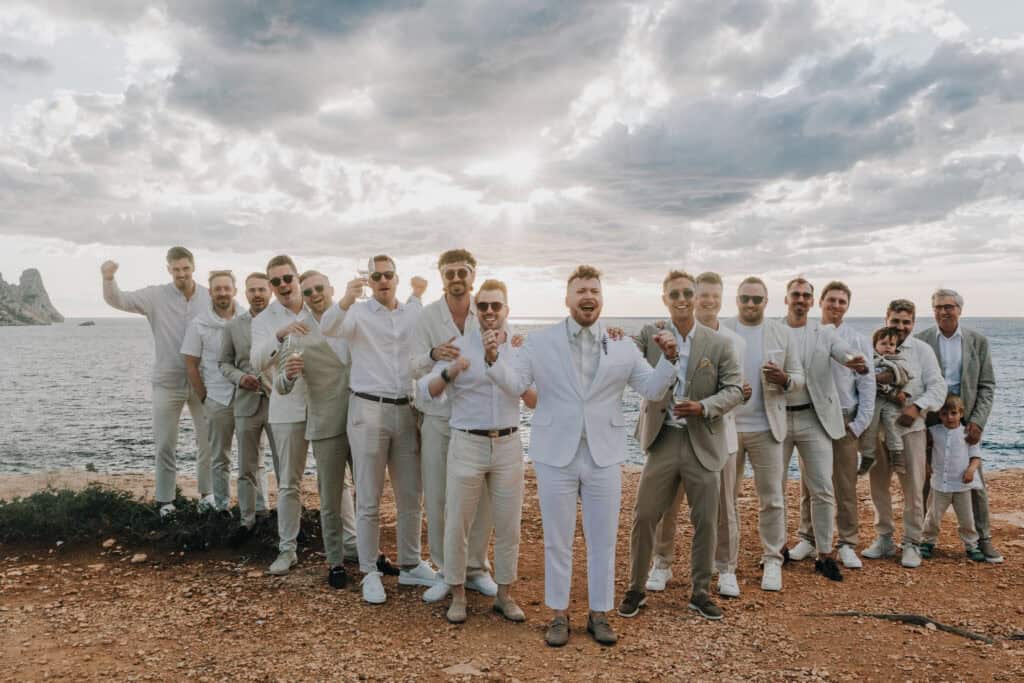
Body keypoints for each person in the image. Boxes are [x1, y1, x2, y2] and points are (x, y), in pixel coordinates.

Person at [485, 265, 679, 647]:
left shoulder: (622, 345)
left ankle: (599, 613)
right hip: (554, 451)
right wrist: (493, 359)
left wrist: (671, 359)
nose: (588, 296)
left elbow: (653, 389)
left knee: (603, 539)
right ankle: (558, 614)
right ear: (567, 298)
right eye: (580, 291)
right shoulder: (541, 343)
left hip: (604, 452)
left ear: (601, 298)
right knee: (557, 539)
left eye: (594, 290)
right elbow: (516, 384)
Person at [619, 270, 743, 621]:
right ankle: (636, 588)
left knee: (706, 519)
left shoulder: (719, 343)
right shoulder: (649, 334)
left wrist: (704, 407)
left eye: (688, 292)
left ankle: (700, 591)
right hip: (663, 439)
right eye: (675, 294)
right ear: (665, 299)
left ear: (696, 294)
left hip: (704, 438)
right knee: (644, 515)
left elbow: (734, 389)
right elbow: (624, 362)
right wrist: (610, 336)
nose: (683, 299)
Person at [419, 279, 537, 624]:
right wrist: (450, 371)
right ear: (475, 310)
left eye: (495, 306)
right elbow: (427, 392)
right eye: (482, 306)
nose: (488, 312)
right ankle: (457, 592)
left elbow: (532, 398)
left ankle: (504, 594)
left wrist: (493, 360)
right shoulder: (456, 346)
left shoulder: (520, 348)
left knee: (508, 523)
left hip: (508, 444)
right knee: (457, 521)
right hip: (466, 442)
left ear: (506, 310)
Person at [320, 255, 434, 604]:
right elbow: (327, 328)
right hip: (368, 408)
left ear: (395, 278)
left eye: (388, 274)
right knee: (368, 495)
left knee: (411, 494)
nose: (383, 279)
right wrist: (345, 298)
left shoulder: (413, 312)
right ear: (370, 280)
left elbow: (424, 321)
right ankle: (370, 570)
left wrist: (418, 292)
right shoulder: (356, 312)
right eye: (376, 275)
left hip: (405, 409)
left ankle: (412, 563)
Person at [409, 249, 496, 603]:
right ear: (442, 277)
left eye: (462, 272)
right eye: (450, 273)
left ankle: (476, 569)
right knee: (439, 495)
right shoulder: (427, 317)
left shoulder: (488, 310)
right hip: (440, 418)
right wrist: (433, 355)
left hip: (478, 420)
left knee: (481, 498)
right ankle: (446, 571)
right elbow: (413, 366)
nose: (456, 278)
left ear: (472, 275)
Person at [100, 247, 211, 517]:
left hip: (204, 382)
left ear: (193, 267)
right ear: (168, 269)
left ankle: (208, 496)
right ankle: (165, 501)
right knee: (164, 443)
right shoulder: (155, 296)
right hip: (167, 382)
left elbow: (236, 318)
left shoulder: (209, 296)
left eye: (186, 268)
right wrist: (108, 278)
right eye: (176, 269)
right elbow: (119, 300)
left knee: (209, 441)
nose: (181, 274)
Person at [273, 270, 360, 588]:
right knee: (331, 497)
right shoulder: (298, 331)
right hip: (325, 422)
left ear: (331, 288)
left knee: (368, 493)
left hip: (363, 418)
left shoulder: (354, 318)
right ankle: (335, 562)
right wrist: (291, 375)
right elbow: (281, 385)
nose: (314, 295)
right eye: (307, 292)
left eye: (319, 288)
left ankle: (369, 557)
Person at [780, 278, 867, 582]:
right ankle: (788, 546)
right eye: (796, 295)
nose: (801, 299)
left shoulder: (826, 332)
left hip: (820, 417)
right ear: (787, 298)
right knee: (784, 488)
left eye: (806, 295)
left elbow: (843, 353)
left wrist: (854, 361)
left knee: (828, 487)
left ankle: (831, 551)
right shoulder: (775, 330)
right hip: (780, 416)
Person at [721, 277, 805, 592]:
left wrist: (784, 380)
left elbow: (799, 377)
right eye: (745, 299)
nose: (751, 305)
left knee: (772, 498)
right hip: (728, 428)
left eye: (757, 299)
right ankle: (726, 566)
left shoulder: (780, 332)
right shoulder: (723, 330)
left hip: (767, 428)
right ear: (737, 300)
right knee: (726, 500)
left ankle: (772, 559)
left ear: (766, 302)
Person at [916, 289, 1002, 563]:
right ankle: (919, 540)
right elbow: (916, 383)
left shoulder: (978, 341)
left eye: (949, 306)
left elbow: (987, 385)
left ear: (959, 310)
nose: (943, 311)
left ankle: (983, 539)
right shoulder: (922, 341)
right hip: (931, 419)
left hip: (964, 418)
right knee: (925, 479)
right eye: (938, 307)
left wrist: (977, 420)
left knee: (974, 483)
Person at [862, 299, 947, 569]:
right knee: (878, 487)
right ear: (886, 319)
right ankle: (884, 537)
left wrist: (917, 408)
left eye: (906, 322)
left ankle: (912, 542)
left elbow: (937, 387)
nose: (900, 327)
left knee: (912, 489)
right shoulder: (871, 347)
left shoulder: (922, 350)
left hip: (911, 430)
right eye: (895, 321)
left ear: (913, 323)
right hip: (878, 430)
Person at [251, 255, 318, 576]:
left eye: (286, 278)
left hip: (323, 405)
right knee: (289, 484)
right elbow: (256, 360)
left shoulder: (317, 305)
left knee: (340, 482)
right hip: (286, 408)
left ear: (296, 276)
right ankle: (287, 549)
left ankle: (347, 543)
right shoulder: (264, 320)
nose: (282, 286)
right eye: (275, 281)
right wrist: (279, 335)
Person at [817, 281, 876, 569]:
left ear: (847, 306)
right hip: (814, 419)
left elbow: (868, 385)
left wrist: (859, 424)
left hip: (845, 419)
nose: (836, 305)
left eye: (841, 301)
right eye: (831, 300)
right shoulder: (811, 334)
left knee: (845, 485)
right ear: (821, 302)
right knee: (813, 484)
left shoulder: (858, 340)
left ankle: (848, 542)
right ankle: (810, 538)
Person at [218, 272, 276, 535]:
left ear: (271, 291)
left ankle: (287, 524)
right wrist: (240, 378)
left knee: (284, 466)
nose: (257, 295)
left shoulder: (282, 320)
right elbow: (224, 363)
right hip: (246, 403)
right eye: (252, 290)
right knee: (247, 467)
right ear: (245, 293)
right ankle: (247, 521)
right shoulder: (233, 326)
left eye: (262, 290)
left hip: (279, 403)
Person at [181, 270, 240, 512]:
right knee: (219, 458)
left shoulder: (248, 318)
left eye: (227, 288)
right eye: (218, 289)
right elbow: (190, 363)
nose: (223, 293)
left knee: (254, 457)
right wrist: (204, 397)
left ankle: (257, 508)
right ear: (211, 292)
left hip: (247, 397)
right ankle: (221, 508)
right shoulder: (200, 324)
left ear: (234, 290)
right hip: (217, 398)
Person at [919, 395, 985, 562]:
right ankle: (927, 542)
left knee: (966, 519)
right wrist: (926, 464)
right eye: (945, 413)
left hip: (961, 485)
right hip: (939, 484)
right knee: (933, 516)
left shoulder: (967, 433)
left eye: (953, 413)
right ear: (939, 415)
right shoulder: (933, 432)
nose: (949, 417)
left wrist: (971, 470)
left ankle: (972, 545)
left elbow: (976, 457)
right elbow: (924, 450)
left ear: (961, 413)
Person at [863, 327, 912, 476]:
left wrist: (900, 390)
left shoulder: (900, 360)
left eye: (891, 344)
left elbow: (906, 377)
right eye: (883, 343)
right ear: (875, 345)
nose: (888, 347)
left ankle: (897, 455)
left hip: (892, 400)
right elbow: (863, 378)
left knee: (892, 425)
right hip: (875, 399)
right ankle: (867, 456)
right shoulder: (870, 360)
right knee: (870, 428)